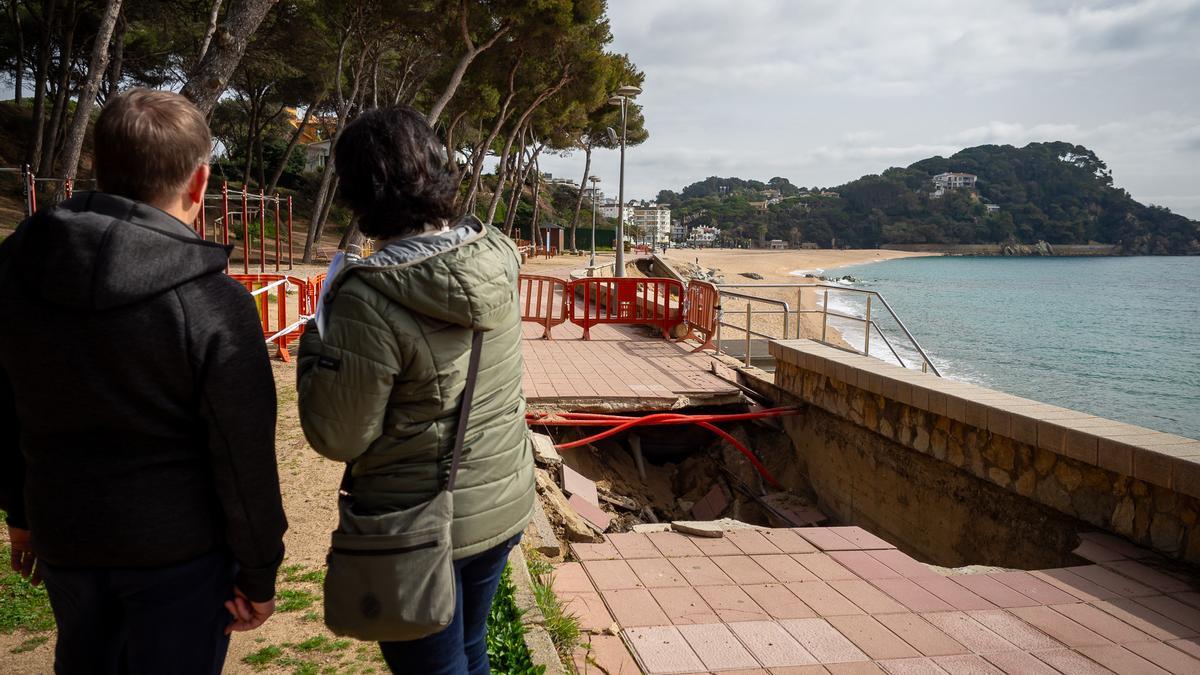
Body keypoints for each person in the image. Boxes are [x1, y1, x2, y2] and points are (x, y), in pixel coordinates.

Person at [0, 88, 287, 673]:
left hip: (65, 534)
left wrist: (21, 515)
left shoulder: (17, 275)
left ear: (99, 170)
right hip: (180, 557)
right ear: (199, 184)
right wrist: (260, 569)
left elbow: (5, 404)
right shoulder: (212, 302)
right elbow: (242, 453)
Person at [296, 106, 534, 675]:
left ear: (358, 189)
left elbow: (339, 435)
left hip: (416, 521)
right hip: (501, 498)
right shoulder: (495, 255)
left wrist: (315, 341)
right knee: (470, 648)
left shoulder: (366, 297)